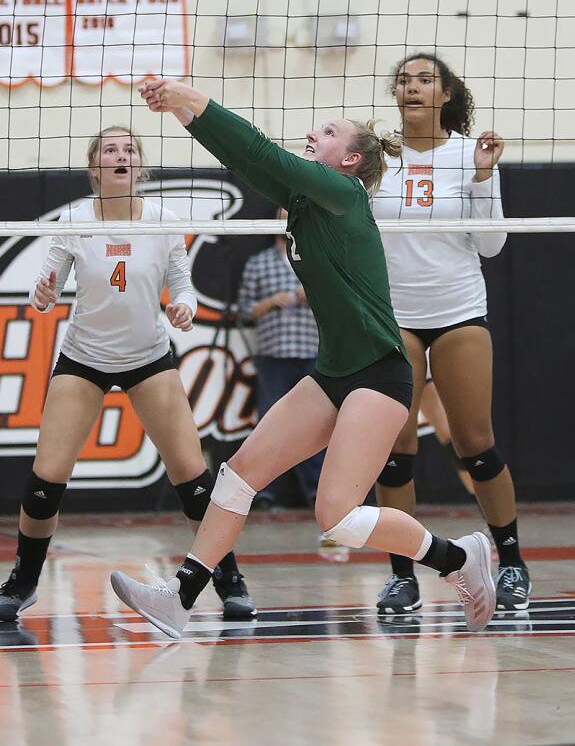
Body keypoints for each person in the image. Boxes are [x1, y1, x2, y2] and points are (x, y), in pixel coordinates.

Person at [109, 77, 497, 638]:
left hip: (380, 373)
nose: (314, 134)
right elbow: (248, 160)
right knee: (238, 475)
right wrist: (185, 116)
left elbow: (260, 150)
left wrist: (191, 98)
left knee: (335, 517)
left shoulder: (343, 195)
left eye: (330, 132)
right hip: (334, 372)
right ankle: (181, 599)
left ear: (351, 159)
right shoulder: (304, 200)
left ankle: (458, 559)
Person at [0, 126, 254, 623]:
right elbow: (46, 284)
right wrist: (41, 296)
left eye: (129, 149)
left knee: (195, 481)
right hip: (84, 357)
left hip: (148, 357)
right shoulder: (74, 220)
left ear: (139, 165)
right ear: (95, 168)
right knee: (45, 483)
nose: (121, 154)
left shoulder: (163, 220)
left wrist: (185, 308)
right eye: (110, 149)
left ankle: (230, 579)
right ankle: (23, 581)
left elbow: (182, 284)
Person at [371, 52, 530, 615]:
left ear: (446, 94)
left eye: (424, 80)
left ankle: (511, 561)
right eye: (404, 81)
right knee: (395, 449)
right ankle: (401, 576)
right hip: (395, 316)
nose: (411, 88)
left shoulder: (470, 154)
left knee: (475, 443)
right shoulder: (376, 158)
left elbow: (491, 246)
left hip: (459, 309)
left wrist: (485, 177)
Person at [233, 207, 322, 510]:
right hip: (273, 354)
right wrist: (270, 303)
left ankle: (317, 491)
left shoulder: (317, 259)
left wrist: (313, 295)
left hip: (312, 351)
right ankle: (263, 491)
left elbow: (339, 302)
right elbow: (243, 310)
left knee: (315, 425)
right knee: (268, 423)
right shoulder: (258, 263)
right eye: (282, 215)